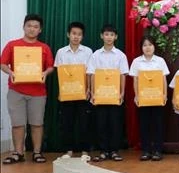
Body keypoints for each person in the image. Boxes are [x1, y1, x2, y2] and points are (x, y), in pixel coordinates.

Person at [1, 14, 54, 164]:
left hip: (38, 92)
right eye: (29, 25)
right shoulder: (12, 45)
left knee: (37, 123)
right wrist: (10, 72)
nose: (32, 29)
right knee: (17, 124)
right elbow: (3, 63)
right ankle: (18, 152)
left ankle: (37, 152)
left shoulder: (44, 48)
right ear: (24, 27)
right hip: (16, 91)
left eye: (35, 27)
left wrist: (45, 72)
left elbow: (51, 66)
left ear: (40, 30)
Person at [88, 24, 129, 162]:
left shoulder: (121, 55)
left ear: (116, 37)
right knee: (101, 123)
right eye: (106, 34)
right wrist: (93, 93)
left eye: (112, 35)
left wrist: (122, 93)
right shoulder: (95, 55)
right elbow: (92, 75)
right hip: (100, 95)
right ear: (101, 36)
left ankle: (115, 151)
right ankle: (104, 150)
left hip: (115, 95)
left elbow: (123, 75)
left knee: (115, 123)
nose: (109, 37)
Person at [54, 21, 93, 160]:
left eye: (79, 34)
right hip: (67, 93)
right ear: (68, 34)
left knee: (84, 122)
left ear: (82, 37)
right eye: (73, 34)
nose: (76, 37)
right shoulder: (61, 52)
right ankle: (68, 150)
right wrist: (60, 91)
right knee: (67, 122)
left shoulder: (88, 51)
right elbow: (60, 73)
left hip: (83, 93)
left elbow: (90, 72)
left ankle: (85, 151)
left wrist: (89, 89)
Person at [129, 36, 169, 161]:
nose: (148, 47)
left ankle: (157, 150)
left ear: (154, 47)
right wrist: (136, 95)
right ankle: (146, 150)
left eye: (150, 45)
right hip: (143, 98)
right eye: (145, 45)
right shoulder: (136, 61)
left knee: (157, 124)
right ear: (141, 47)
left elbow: (163, 79)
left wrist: (165, 94)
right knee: (144, 124)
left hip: (157, 98)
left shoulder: (160, 61)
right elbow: (135, 80)